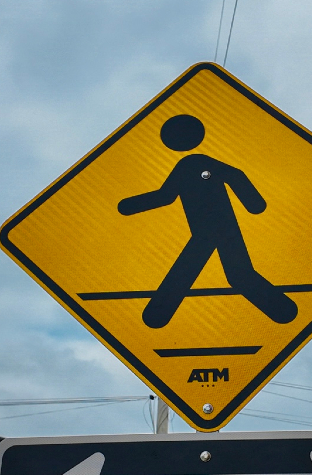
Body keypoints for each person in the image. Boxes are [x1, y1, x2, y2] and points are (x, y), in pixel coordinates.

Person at [118, 114, 298, 329]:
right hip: (213, 227)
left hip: (219, 226)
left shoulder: (195, 163)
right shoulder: (188, 165)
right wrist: (128, 206)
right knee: (233, 273)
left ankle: (157, 313)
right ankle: (282, 309)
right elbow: (167, 196)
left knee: (199, 268)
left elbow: (234, 176)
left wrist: (254, 204)